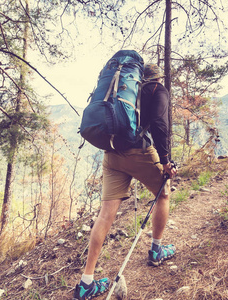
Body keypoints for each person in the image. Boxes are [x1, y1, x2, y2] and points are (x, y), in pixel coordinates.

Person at [73, 63, 178, 300]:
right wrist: (165, 161)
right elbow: (160, 126)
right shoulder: (157, 90)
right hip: (139, 153)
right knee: (163, 193)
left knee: (106, 212)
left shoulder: (123, 91)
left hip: (111, 155)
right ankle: (157, 250)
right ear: (157, 78)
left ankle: (86, 282)